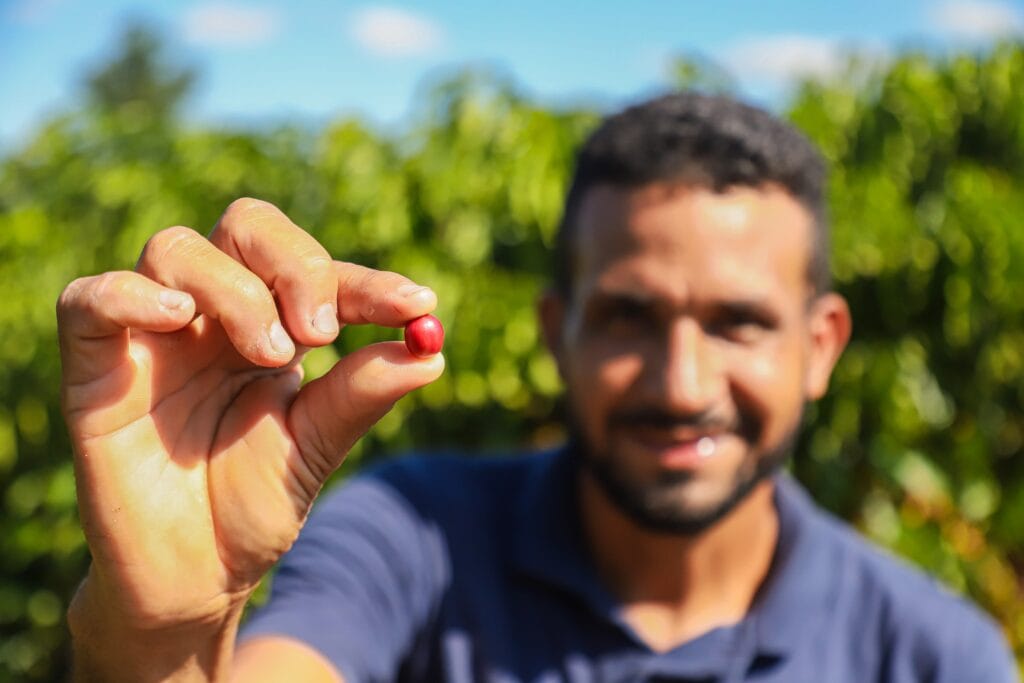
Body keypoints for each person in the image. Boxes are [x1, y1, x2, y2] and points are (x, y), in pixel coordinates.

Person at [60, 92, 1017, 682]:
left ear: (820, 344)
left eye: (739, 323)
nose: (684, 384)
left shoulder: (936, 656)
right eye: (629, 317)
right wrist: (162, 639)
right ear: (559, 332)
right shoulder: (410, 540)